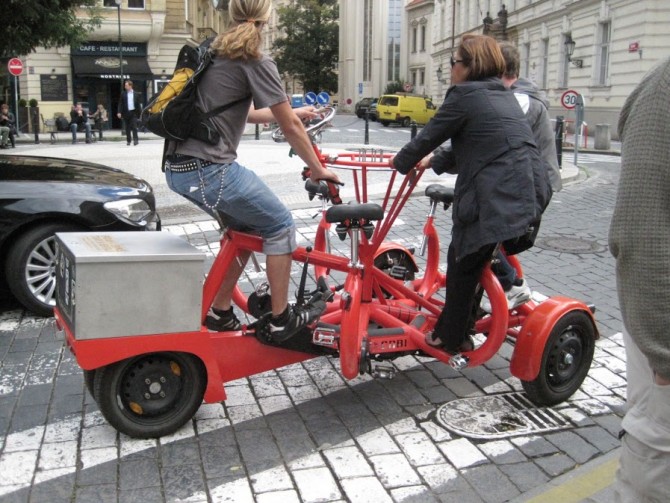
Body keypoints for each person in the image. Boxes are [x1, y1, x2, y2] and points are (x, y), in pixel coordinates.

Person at [164, 0, 341, 341]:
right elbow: (288, 125)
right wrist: (317, 168)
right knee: (278, 226)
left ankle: (220, 312)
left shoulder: (213, 52)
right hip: (209, 170)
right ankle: (280, 320)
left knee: (245, 229)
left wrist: (295, 113)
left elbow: (240, 113)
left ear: (233, 14)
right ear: (266, 16)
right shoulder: (253, 57)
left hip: (179, 167)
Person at [389, 34, 550, 354]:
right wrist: (433, 162)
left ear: (469, 66)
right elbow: (473, 139)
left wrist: (401, 162)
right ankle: (463, 329)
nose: (451, 69)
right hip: (527, 192)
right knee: (472, 258)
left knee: (463, 259)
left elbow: (431, 134)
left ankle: (450, 337)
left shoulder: (464, 95)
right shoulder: (499, 93)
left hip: (497, 195)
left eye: (454, 63)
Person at [609, 57, 670, 502]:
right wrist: (664, 349)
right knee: (656, 461)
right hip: (665, 347)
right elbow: (640, 228)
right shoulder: (663, 89)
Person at [480, 42, 563, 312]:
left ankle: (511, 285)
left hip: (532, 187)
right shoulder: (512, 95)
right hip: (522, 183)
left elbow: (494, 136)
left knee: (482, 236)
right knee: (485, 236)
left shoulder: (520, 100)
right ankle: (481, 301)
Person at [117, 80, 141, 145]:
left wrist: (140, 114)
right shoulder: (123, 93)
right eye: (125, 85)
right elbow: (120, 103)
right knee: (127, 127)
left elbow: (138, 104)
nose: (125, 87)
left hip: (133, 112)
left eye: (126, 85)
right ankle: (128, 140)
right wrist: (119, 112)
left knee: (134, 127)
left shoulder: (136, 94)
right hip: (126, 112)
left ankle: (136, 140)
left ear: (130, 86)